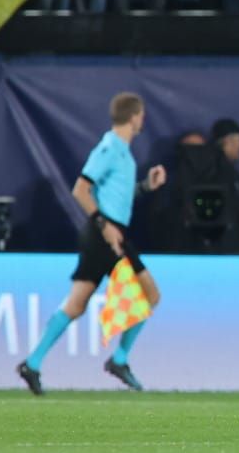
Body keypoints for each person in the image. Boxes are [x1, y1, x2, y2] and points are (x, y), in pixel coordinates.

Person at [16, 92, 166, 396]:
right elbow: (81, 189)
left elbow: (117, 196)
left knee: (77, 303)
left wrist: (145, 187)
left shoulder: (123, 151)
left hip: (109, 232)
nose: (143, 121)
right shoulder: (110, 147)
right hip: (106, 235)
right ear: (134, 116)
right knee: (150, 294)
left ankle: (32, 363)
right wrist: (104, 225)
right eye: (141, 116)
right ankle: (120, 359)